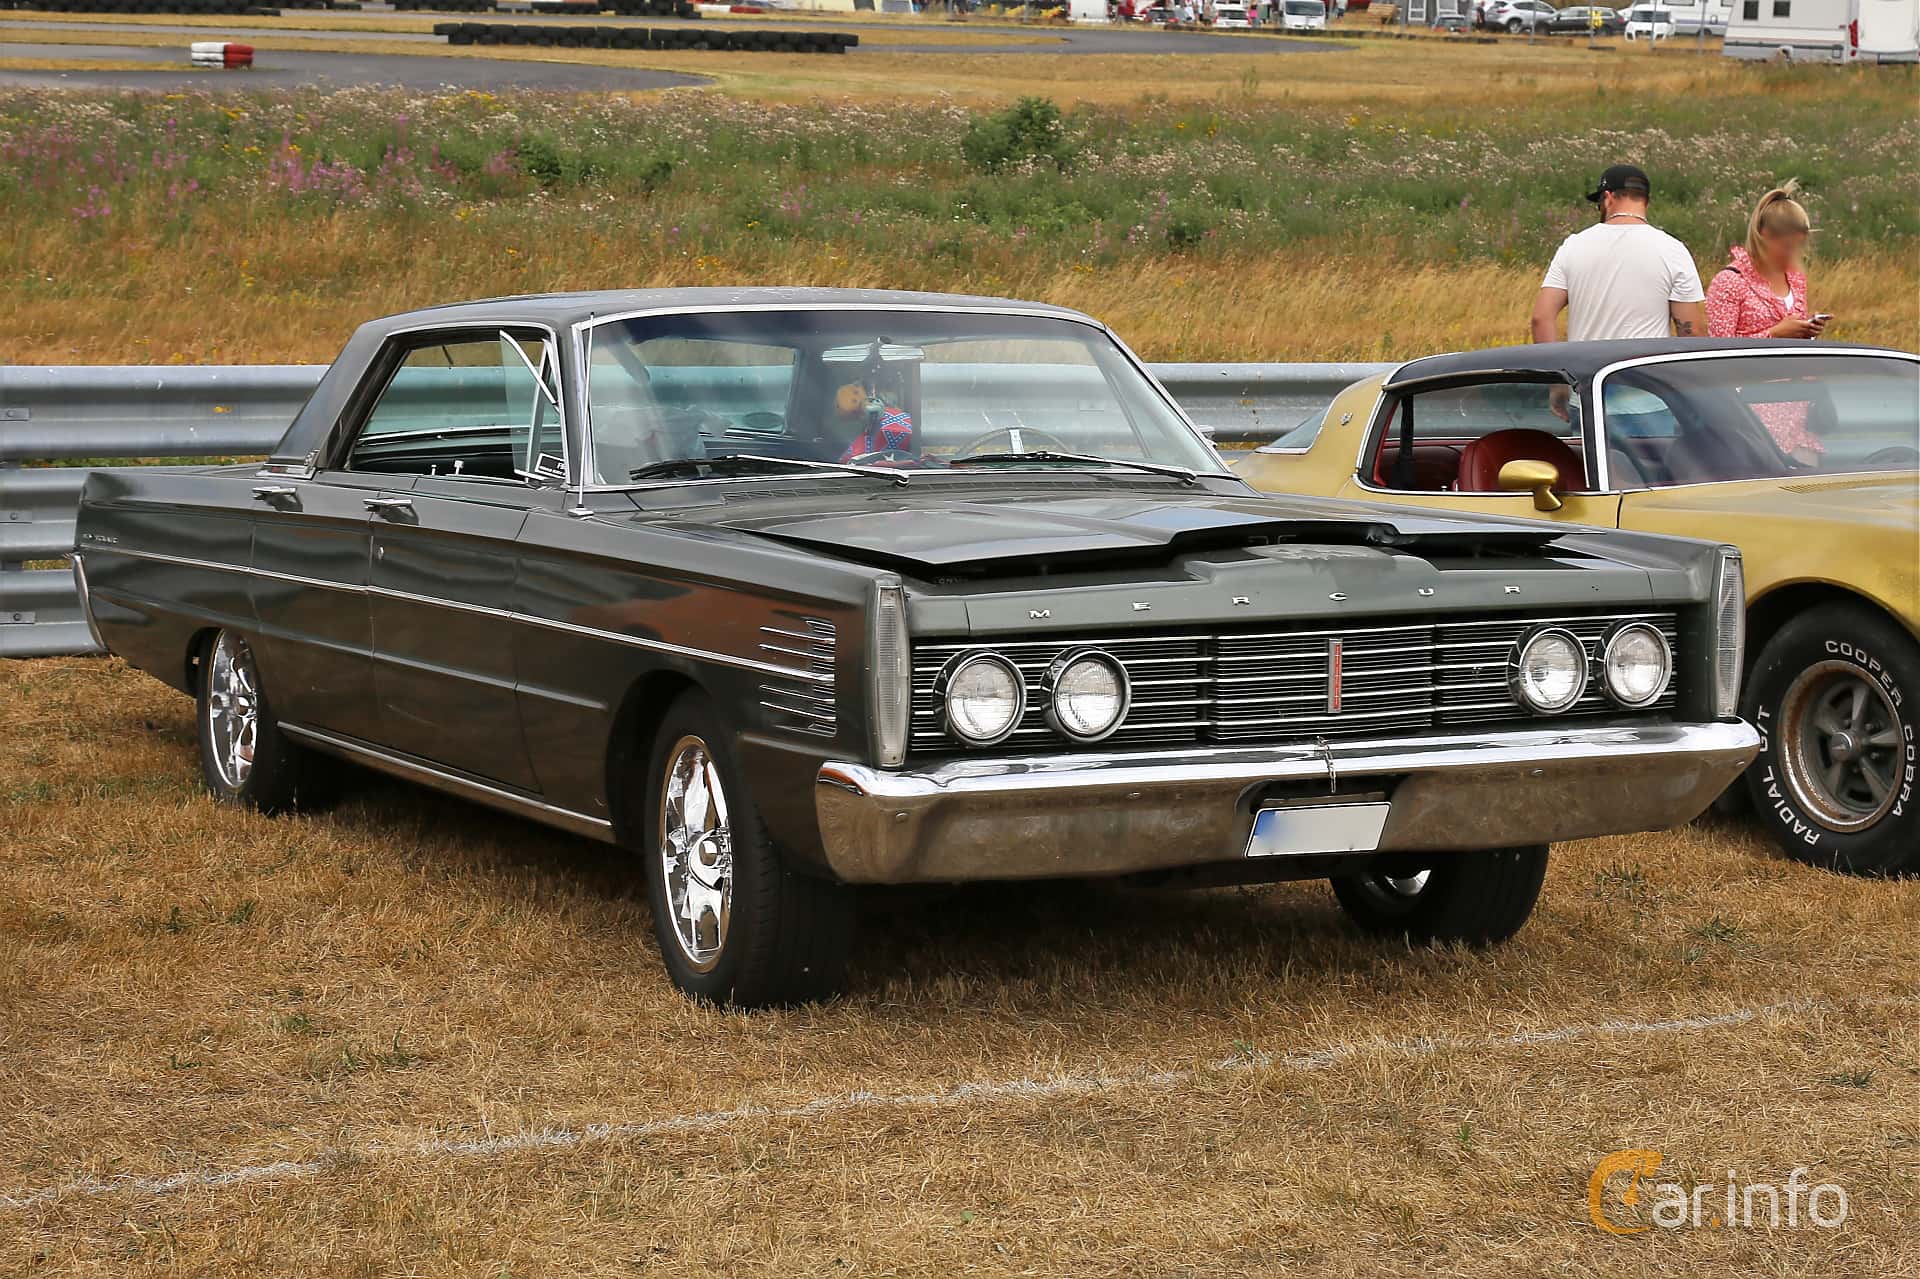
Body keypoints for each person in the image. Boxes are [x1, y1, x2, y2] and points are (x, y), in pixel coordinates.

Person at [1531, 164, 1707, 343]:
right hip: (1644, 369)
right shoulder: (1673, 250)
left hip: (1586, 369)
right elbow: (1691, 331)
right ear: (1646, 202)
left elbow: (1541, 318)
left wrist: (1558, 368)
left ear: (1607, 198)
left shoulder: (1573, 246)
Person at [1705, 182, 1826, 341]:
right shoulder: (1729, 282)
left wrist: (1806, 330)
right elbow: (1720, 350)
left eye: (1799, 246)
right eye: (1787, 246)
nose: (1794, 254)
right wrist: (1774, 334)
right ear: (1764, 235)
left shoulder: (1796, 278)